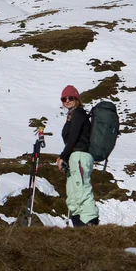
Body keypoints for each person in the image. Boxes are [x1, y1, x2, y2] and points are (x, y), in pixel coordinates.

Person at [56, 85, 99, 227]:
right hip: (75, 157)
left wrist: (63, 155)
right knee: (73, 194)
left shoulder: (79, 114)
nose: (67, 101)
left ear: (77, 99)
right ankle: (79, 227)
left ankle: (91, 225)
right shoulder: (72, 115)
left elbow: (74, 137)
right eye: (64, 99)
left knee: (82, 190)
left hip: (80, 155)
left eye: (70, 98)